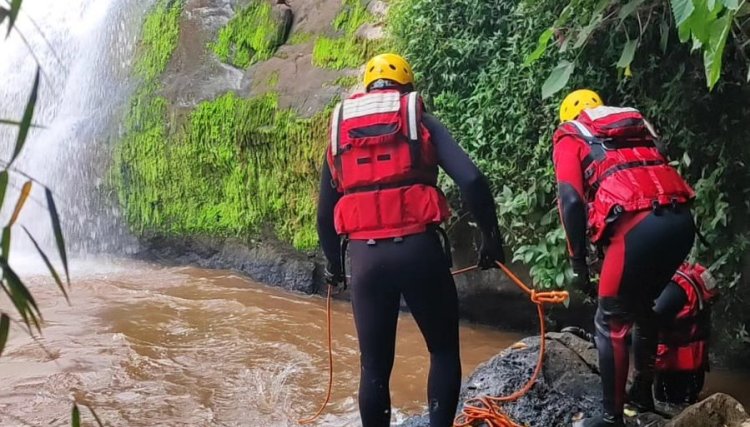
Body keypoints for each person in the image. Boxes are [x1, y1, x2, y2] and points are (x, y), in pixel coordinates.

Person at [316, 53, 506, 427]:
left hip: (366, 261)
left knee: (373, 366)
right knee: (442, 351)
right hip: (419, 251)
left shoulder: (341, 132)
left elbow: (325, 215)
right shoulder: (421, 121)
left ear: (369, 87)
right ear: (407, 86)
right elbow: (472, 181)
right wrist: (491, 240)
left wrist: (335, 269)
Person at [552, 89, 696, 427]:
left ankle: (611, 417)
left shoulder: (569, 135)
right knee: (642, 303)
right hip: (680, 221)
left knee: (610, 322)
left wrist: (577, 261)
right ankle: (642, 393)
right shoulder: (636, 129)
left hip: (638, 229)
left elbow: (570, 200)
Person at [651, 262, 718, 405]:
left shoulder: (673, 288)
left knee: (670, 404)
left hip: (675, 365)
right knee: (689, 402)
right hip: (692, 362)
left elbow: (652, 319)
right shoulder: (689, 274)